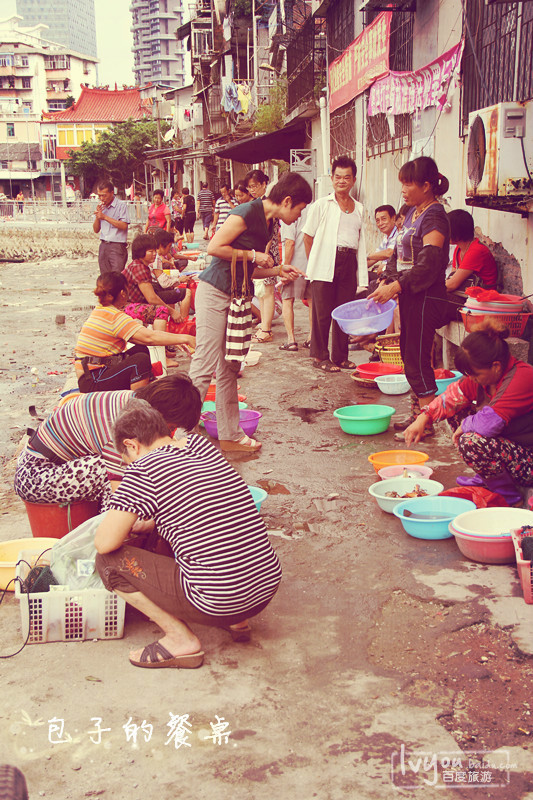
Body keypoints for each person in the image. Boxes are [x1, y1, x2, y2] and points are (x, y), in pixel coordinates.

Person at [94, 398, 283, 668]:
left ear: (131, 445)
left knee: (108, 563)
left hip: (219, 600)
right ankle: (238, 621)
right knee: (200, 534)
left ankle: (179, 639)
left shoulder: (143, 470)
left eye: (126, 459)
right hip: (265, 589)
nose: (128, 465)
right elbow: (201, 508)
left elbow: (104, 543)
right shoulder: (201, 446)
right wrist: (151, 523)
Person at [189, 171, 312, 452]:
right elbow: (214, 247)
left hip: (236, 296)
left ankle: (229, 434)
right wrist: (254, 255)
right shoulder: (246, 211)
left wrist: (279, 270)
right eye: (300, 210)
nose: (299, 217)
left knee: (230, 366)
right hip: (214, 291)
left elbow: (251, 269)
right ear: (288, 201)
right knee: (205, 364)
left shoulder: (270, 224)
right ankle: (180, 434)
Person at [13, 374, 195, 511]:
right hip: (35, 477)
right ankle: (115, 541)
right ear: (162, 413)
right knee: (113, 474)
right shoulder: (128, 421)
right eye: (172, 425)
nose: (170, 431)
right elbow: (120, 485)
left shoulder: (134, 400)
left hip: (52, 467)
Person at [403, 321, 533, 506]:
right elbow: (453, 396)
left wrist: (465, 426)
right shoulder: (484, 377)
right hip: (511, 449)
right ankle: (489, 479)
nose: (471, 379)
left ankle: (507, 495)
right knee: (457, 411)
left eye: (475, 374)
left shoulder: (523, 377)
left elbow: (489, 424)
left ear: (496, 366)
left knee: (471, 441)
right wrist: (424, 417)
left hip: (528, 460)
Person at [369, 156, 450, 437]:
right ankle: (418, 413)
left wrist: (397, 287)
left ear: (427, 186)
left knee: (417, 358)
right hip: (411, 295)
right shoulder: (413, 212)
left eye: (408, 184)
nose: (402, 189)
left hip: (427, 297)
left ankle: (426, 422)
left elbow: (429, 263)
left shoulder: (435, 216)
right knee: (409, 355)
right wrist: (386, 278)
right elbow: (398, 255)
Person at [75, 273, 194, 392]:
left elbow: (143, 337)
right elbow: (149, 337)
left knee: (140, 349)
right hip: (92, 380)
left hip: (90, 375)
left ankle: (146, 385)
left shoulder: (102, 310)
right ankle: (138, 400)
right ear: (123, 293)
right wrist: (186, 338)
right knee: (140, 361)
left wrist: (177, 339)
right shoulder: (114, 316)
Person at [303, 155, 368, 373]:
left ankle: (341, 357)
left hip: (348, 262)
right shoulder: (322, 205)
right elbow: (308, 237)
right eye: (337, 177)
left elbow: (361, 242)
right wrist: (316, 263)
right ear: (332, 178)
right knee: (322, 313)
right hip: (325, 263)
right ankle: (320, 356)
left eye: (346, 177)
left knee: (344, 312)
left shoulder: (359, 208)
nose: (341, 181)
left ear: (353, 180)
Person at [121, 235, 195, 364]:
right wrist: (172, 311)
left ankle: (163, 350)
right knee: (160, 311)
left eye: (155, 250)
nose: (154, 254)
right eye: (151, 251)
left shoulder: (141, 265)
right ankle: (161, 358)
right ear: (140, 252)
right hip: (127, 306)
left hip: (134, 303)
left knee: (161, 308)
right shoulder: (139, 268)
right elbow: (151, 298)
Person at [245, 170, 277, 344]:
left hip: (267, 252)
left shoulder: (267, 204)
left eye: (255, 186)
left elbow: (269, 233)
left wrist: (264, 254)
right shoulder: (257, 203)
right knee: (262, 292)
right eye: (250, 187)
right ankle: (265, 323)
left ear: (264, 184)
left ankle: (267, 329)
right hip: (258, 253)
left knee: (268, 291)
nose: (252, 189)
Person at [278, 205, 311, 351]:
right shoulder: (311, 208)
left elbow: (290, 242)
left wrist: (286, 267)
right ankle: (312, 338)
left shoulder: (289, 212)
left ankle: (291, 340)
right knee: (312, 301)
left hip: (294, 265)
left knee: (287, 299)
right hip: (311, 263)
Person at [445, 209, 498, 292]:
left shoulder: (476, 251)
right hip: (466, 295)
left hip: (482, 300)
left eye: (448, 230)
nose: (444, 233)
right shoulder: (458, 249)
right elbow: (453, 277)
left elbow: (452, 285)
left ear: (458, 232)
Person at [93, 180, 130, 274]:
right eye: (99, 195)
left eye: (104, 195)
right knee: (105, 277)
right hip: (104, 245)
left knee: (116, 276)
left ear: (112, 193)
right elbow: (96, 230)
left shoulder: (121, 206)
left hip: (117, 246)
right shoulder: (101, 207)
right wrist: (98, 217)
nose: (102, 198)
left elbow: (124, 225)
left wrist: (105, 217)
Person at [367, 205, 398, 275]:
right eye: (377, 221)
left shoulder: (398, 233)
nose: (380, 223)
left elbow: (389, 253)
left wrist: (367, 256)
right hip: (383, 273)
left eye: (384, 219)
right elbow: (375, 257)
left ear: (393, 218)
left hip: (393, 275)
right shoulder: (386, 237)